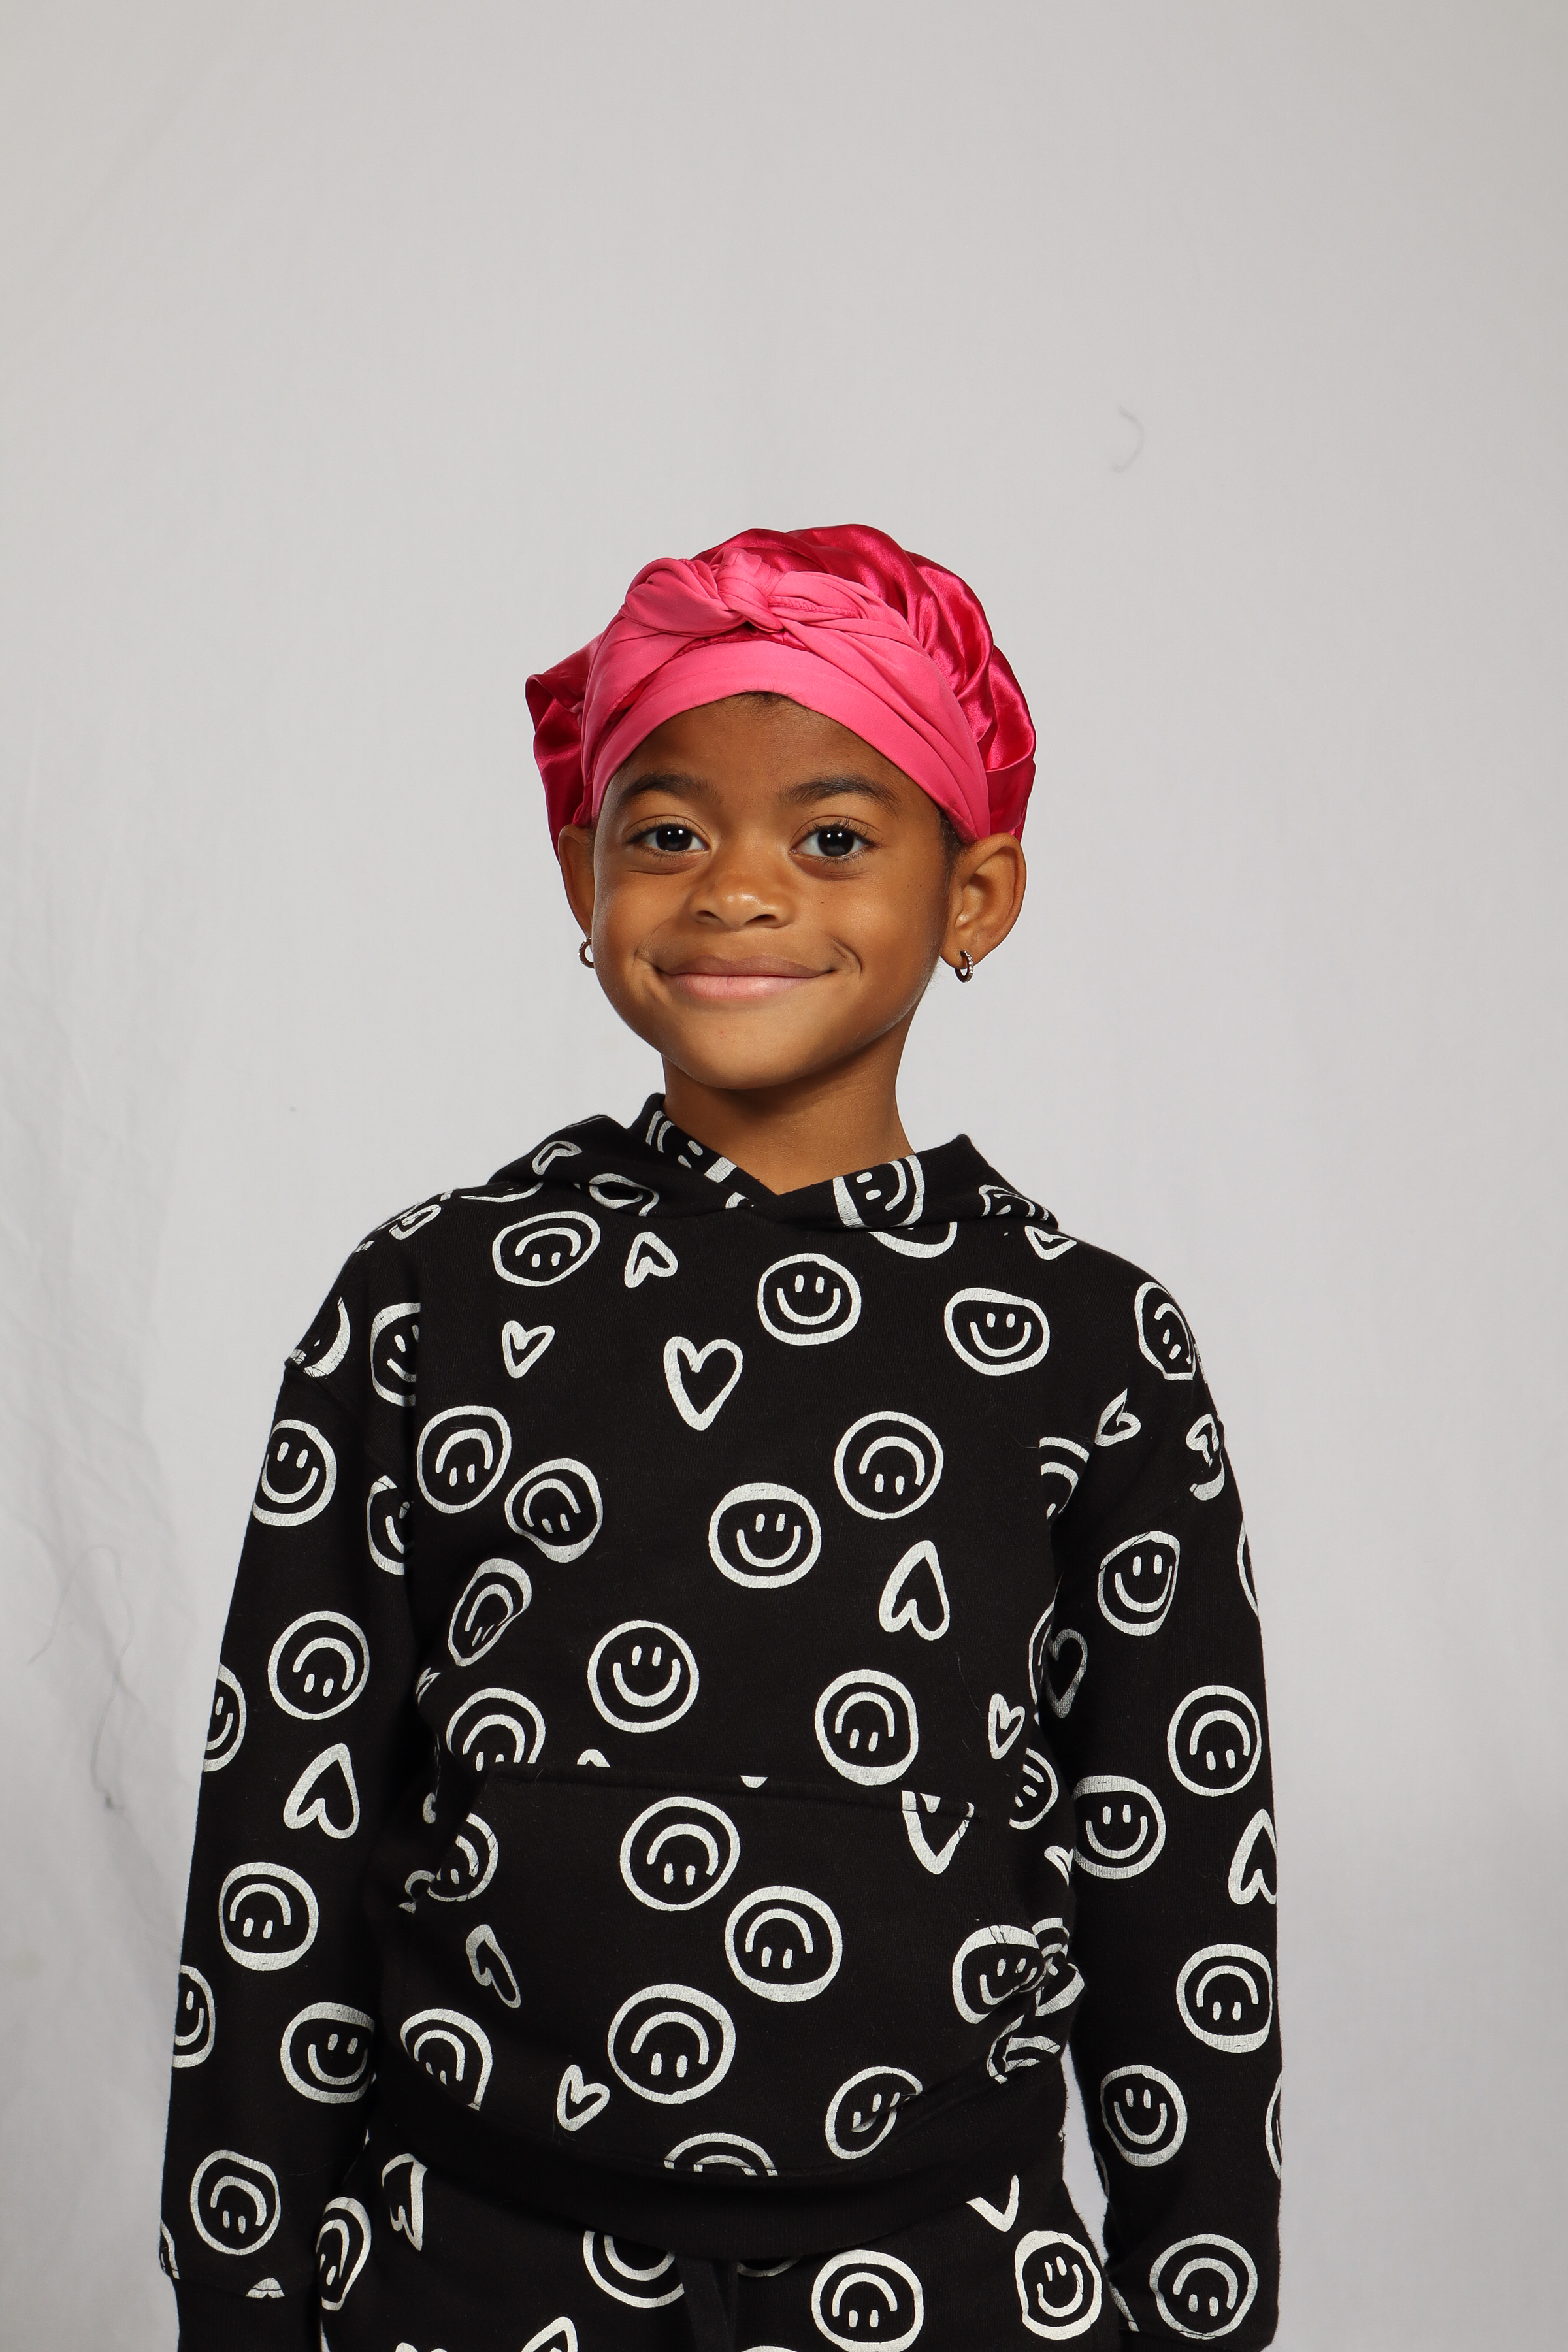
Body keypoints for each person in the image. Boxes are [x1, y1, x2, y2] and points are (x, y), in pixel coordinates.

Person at [159, 525, 1282, 2351]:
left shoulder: (1091, 1348)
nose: (741, 891)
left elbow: (1181, 1871)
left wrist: (1200, 2300)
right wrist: (242, 2292)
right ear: (582, 869)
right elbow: (287, 1836)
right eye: (670, 833)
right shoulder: (431, 1302)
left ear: (976, 893)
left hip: (951, 2280)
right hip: (470, 2273)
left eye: (832, 839)